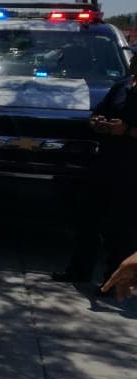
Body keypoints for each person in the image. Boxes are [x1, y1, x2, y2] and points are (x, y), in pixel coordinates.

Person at [54, 54, 137, 284]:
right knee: (87, 218)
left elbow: (126, 129)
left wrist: (128, 130)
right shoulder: (122, 86)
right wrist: (98, 123)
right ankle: (79, 271)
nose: (132, 62)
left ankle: (114, 280)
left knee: (123, 228)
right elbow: (97, 114)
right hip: (105, 164)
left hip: (132, 171)